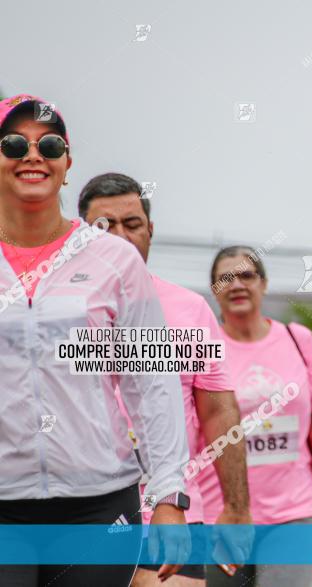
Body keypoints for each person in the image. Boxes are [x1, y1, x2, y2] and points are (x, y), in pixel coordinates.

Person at [0, 94, 190, 586]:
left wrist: (169, 497)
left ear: (67, 165)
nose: (33, 155)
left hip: (98, 504)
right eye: (15, 143)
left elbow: (152, 383)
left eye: (51, 144)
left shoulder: (114, 259)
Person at [79, 172, 253, 587]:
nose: (119, 237)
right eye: (104, 226)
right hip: (81, 515)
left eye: (132, 224)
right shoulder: (58, 309)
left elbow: (219, 411)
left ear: (150, 231)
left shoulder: (191, 310)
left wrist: (236, 506)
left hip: (172, 512)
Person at [201, 246, 312, 587]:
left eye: (246, 275)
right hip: (219, 517)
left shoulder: (297, 339)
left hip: (294, 513)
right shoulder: (202, 348)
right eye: (225, 278)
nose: (237, 284)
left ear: (264, 284)